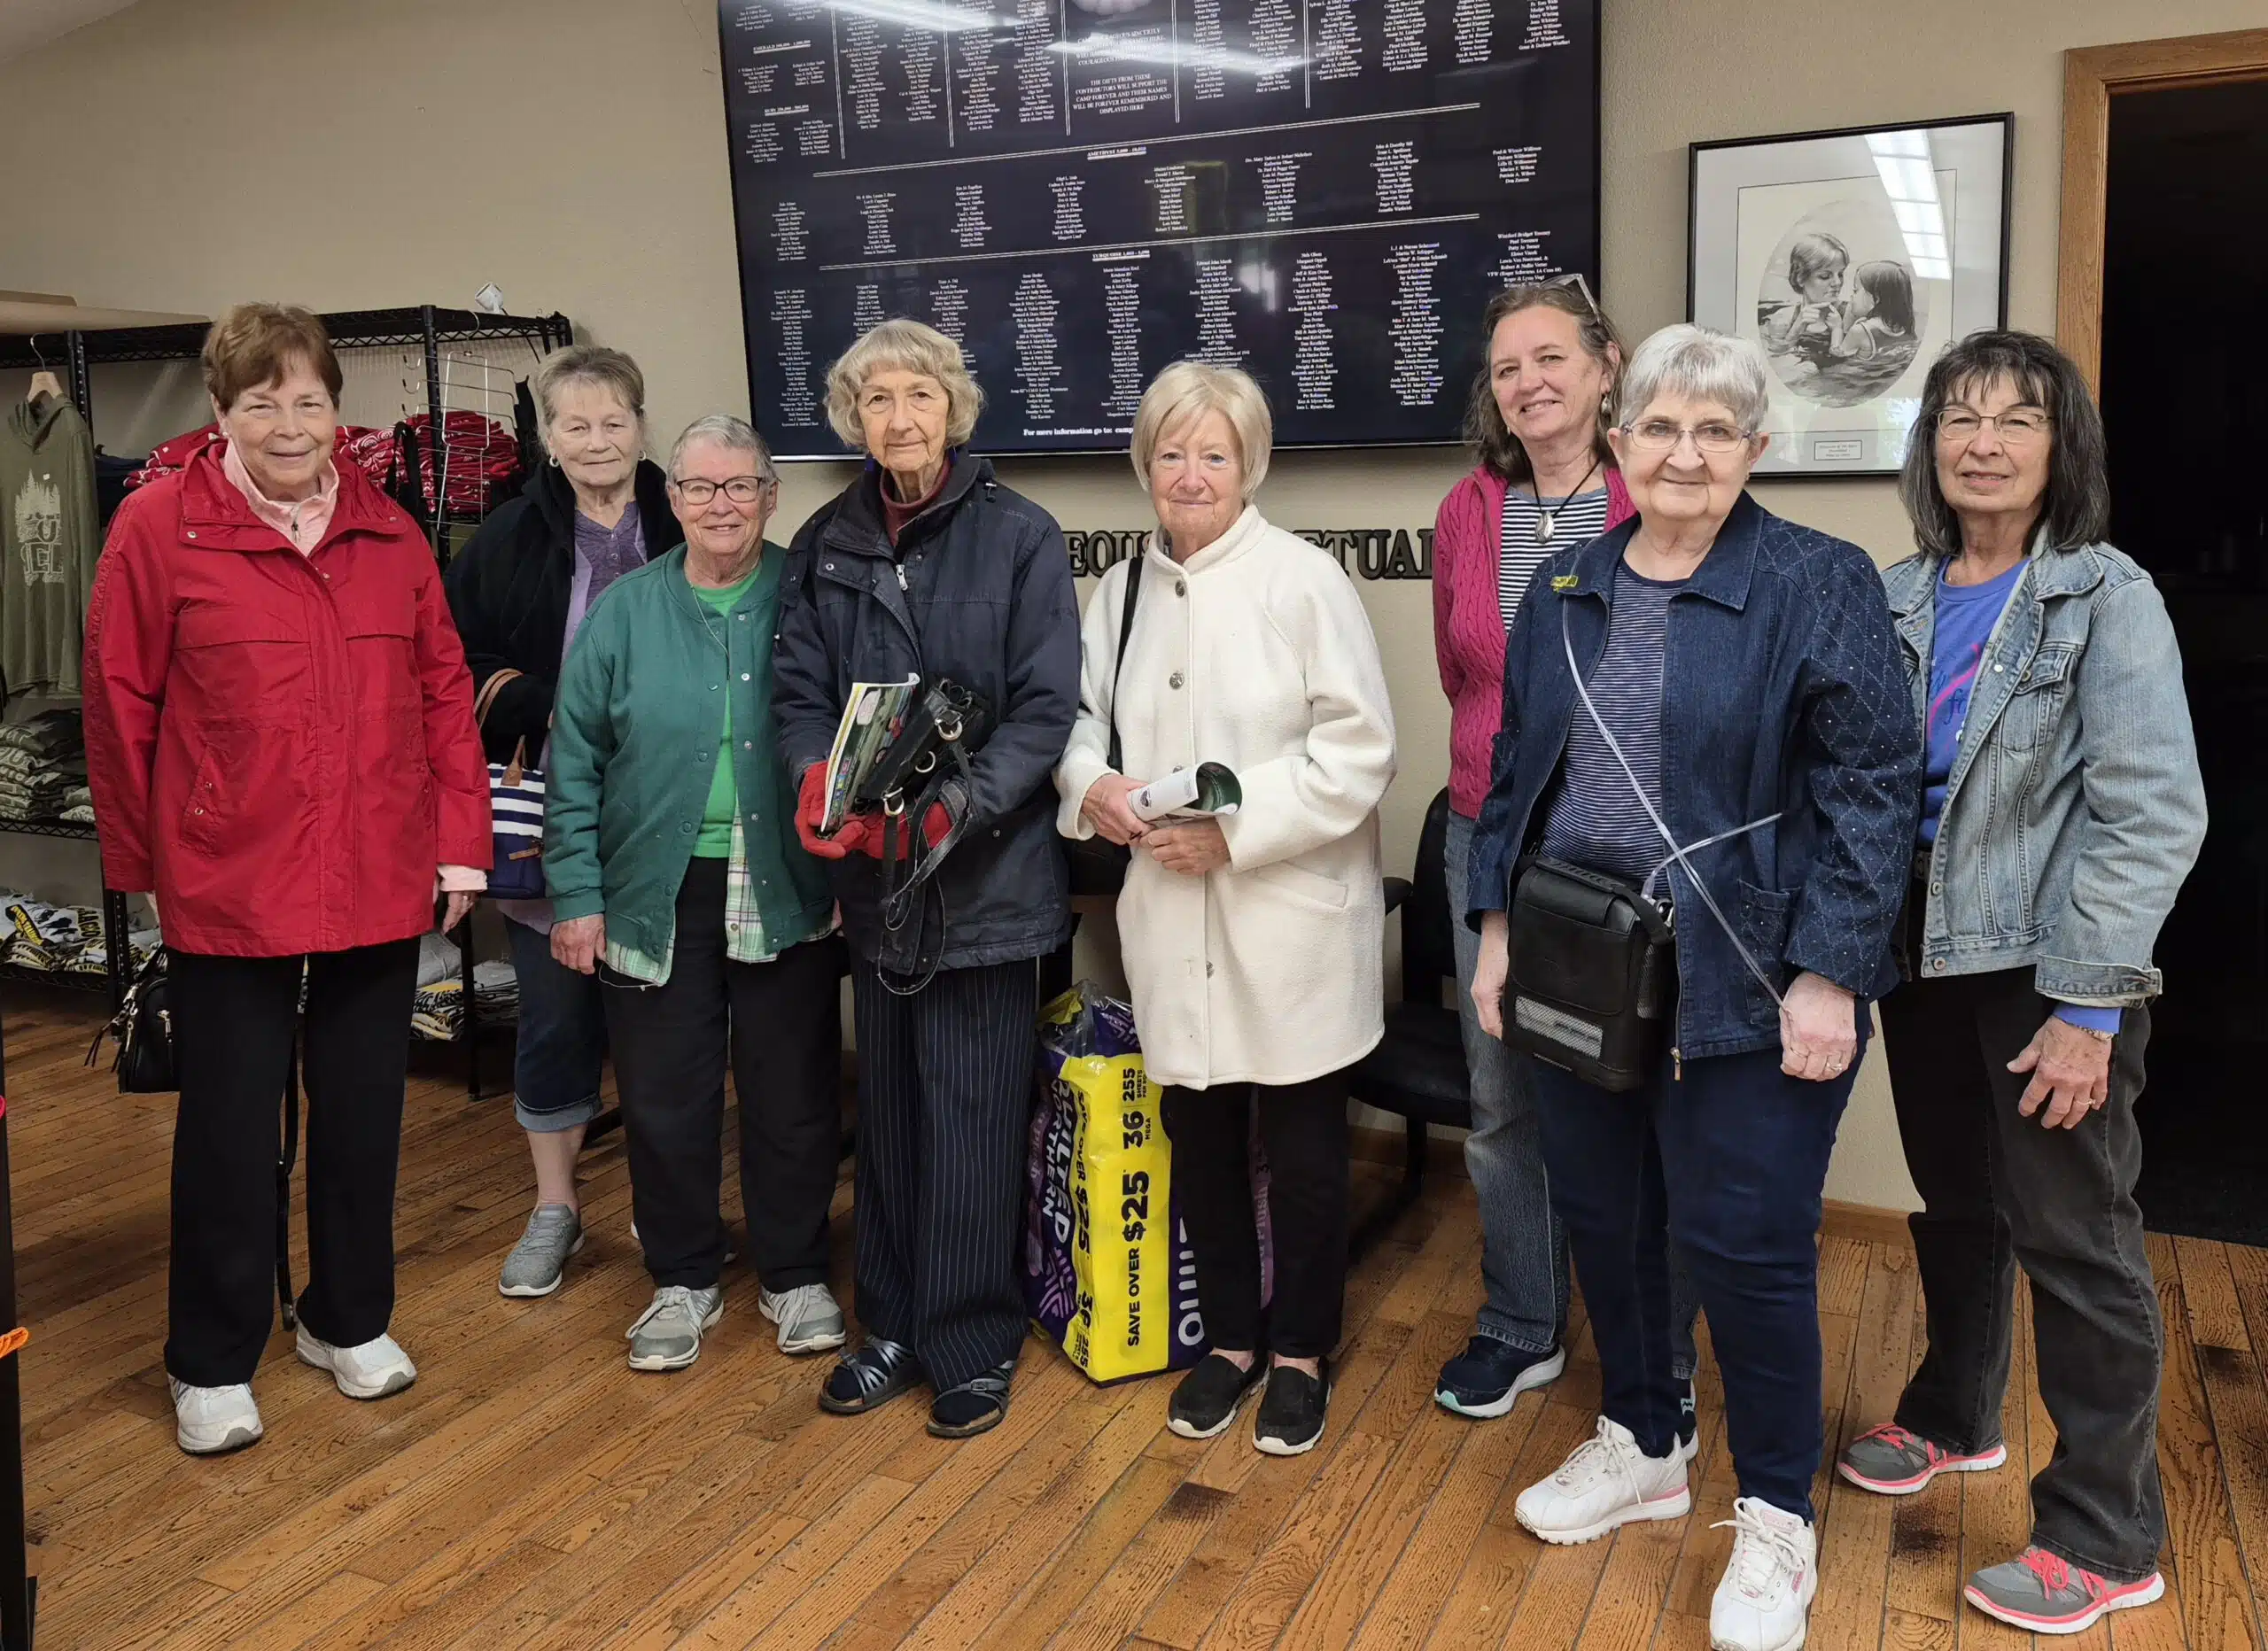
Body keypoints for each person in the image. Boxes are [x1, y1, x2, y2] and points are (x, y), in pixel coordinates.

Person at [1466, 324, 1917, 1651]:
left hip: (1752, 972)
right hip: (1581, 962)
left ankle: (1775, 1512)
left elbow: (1874, 793)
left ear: (1754, 449)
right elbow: (1517, 771)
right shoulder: (1565, 585)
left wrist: (1829, 974)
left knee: (1747, 1248)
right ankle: (1645, 1440)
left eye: (1715, 430)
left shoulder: (1818, 580)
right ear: (1619, 441)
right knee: (1607, 1219)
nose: (1685, 452)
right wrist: (1496, 929)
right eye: (1660, 426)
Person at [1837, 331, 2202, 1635]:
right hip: (1921, 953)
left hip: (2047, 967)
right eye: (1960, 417)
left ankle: (2107, 1535)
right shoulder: (1896, 595)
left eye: (2017, 420)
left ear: (2062, 449)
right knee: (1958, 1202)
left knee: (2075, 1236)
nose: (1983, 442)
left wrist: (2090, 1007)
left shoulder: (2106, 595)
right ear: (1929, 441)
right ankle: (1955, 1415)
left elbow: (2151, 810)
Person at [83, 303, 491, 1456]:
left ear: (335, 412)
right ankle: (211, 1359)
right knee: (227, 1127)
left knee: (363, 1116)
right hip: (229, 875)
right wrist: (143, 864)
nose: (289, 424)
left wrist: (462, 841)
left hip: (377, 866)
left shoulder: (392, 533)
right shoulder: (157, 527)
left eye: (309, 400)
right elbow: (118, 705)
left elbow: (443, 692)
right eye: (262, 402)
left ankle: (345, 1319)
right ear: (221, 413)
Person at [1056, 362, 1396, 1456]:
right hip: (1167, 914)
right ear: (1144, 466)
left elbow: (1360, 753)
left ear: (1249, 466)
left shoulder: (1303, 580)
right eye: (1171, 453)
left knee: (1303, 1156)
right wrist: (1093, 788)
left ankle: (1299, 1353)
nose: (1191, 474)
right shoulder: (1118, 593)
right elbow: (1079, 726)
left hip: (1286, 917)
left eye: (1214, 454)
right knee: (1198, 1139)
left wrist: (1233, 831)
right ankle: (1233, 1342)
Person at [775, 318, 1079, 1439]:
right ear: (851, 419)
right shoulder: (825, 542)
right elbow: (799, 695)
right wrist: (815, 780)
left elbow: (1045, 709)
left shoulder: (1020, 535)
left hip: (985, 883)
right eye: (876, 399)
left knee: (972, 1115)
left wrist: (959, 804)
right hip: (876, 887)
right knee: (893, 1111)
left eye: (918, 394)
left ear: (954, 407)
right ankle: (892, 1325)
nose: (898, 418)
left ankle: (969, 1341)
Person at [543, 414, 846, 1372]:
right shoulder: (625, 611)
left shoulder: (811, 594)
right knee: (664, 1098)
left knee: (790, 1094)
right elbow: (573, 762)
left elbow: (855, 738)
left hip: (786, 880)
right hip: (653, 887)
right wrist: (577, 894)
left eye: (740, 486)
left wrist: (849, 872)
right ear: (670, 499)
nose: (721, 504)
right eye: (701, 487)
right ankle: (681, 1277)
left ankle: (795, 1275)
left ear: (769, 497)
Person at [1431, 276, 1664, 1424]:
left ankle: (1645, 1343)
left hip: (1620, 845)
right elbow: (1462, 673)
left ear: (1606, 366)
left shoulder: (1653, 489)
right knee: (1503, 1099)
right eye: (1508, 367)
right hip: (1488, 835)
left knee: (1629, 1099)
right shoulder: (1469, 509)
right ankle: (1522, 1321)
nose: (1529, 383)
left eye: (1551, 358)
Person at [444, 344, 674, 1299]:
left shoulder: (684, 514)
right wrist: (550, 706)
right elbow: (452, 660)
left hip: (669, 810)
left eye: (613, 421)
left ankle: (665, 1207)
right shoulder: (507, 534)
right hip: (551, 811)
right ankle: (555, 1208)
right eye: (575, 425)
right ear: (548, 437)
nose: (596, 441)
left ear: (641, 427)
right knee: (554, 1019)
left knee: (665, 1026)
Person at [1829, 261, 1916, 364]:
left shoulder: (1860, 331)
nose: (1851, 297)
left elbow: (1837, 355)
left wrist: (1837, 328)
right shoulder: (1903, 327)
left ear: (1876, 298)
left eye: (1855, 291)